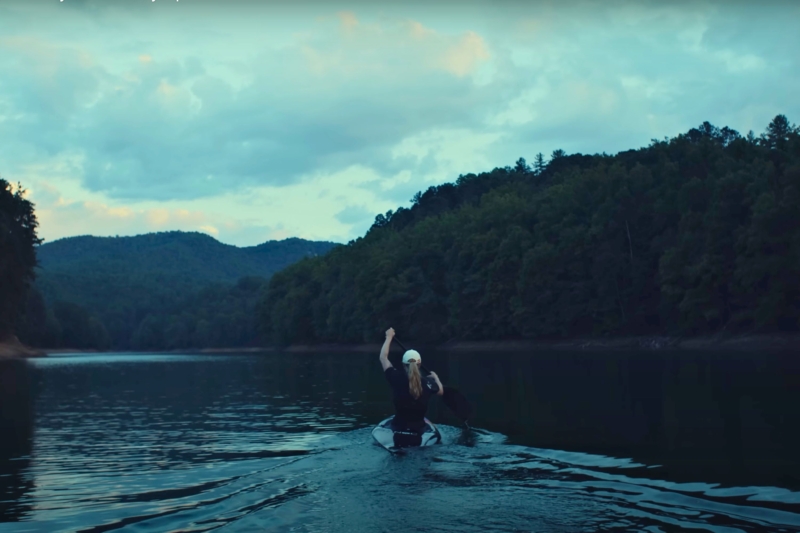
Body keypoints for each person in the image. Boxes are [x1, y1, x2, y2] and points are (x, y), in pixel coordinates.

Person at [379, 327, 444, 433]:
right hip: (419, 429)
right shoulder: (428, 383)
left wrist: (389, 337)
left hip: (398, 428)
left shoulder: (395, 377)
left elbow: (383, 358)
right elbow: (441, 391)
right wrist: (435, 377)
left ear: (403, 364)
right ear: (419, 364)